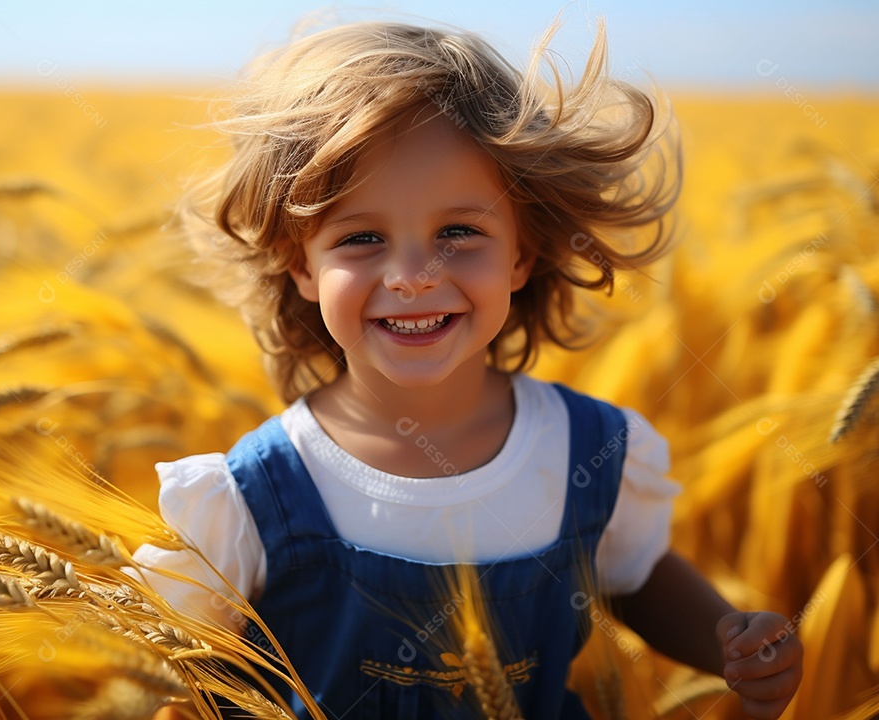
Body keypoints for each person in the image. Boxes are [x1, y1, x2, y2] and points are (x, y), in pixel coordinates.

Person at [134, 17, 804, 720]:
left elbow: (633, 576)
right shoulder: (249, 497)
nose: (415, 276)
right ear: (303, 265)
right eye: (362, 238)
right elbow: (180, 667)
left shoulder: (588, 454)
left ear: (521, 253)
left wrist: (725, 635)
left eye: (459, 232)